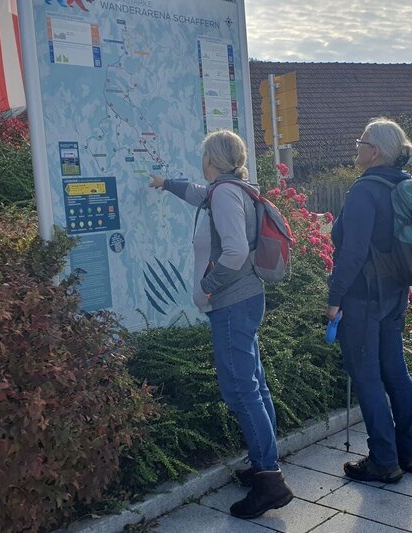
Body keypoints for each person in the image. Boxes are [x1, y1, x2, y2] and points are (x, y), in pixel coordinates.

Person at [148, 130, 293, 518]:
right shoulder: (229, 188)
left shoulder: (226, 195)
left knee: (241, 392)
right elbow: (199, 193)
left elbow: (234, 252)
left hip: (232, 304)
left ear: (211, 159)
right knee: (254, 387)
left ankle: (270, 481)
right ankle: (264, 461)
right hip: (244, 301)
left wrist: (208, 287)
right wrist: (166, 184)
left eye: (203, 156)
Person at [326, 117, 412, 483]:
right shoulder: (405, 185)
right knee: (395, 371)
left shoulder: (366, 190)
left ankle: (384, 459)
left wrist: (335, 297)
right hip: (396, 293)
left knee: (366, 376)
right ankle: (408, 452)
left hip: (364, 296)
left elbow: (352, 251)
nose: (357, 147)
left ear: (375, 151)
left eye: (360, 141)